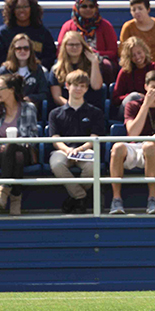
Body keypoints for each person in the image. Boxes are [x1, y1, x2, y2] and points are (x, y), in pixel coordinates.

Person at [110, 69, 155, 214]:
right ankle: (116, 200)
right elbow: (133, 134)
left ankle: (152, 200)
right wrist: (146, 105)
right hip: (134, 146)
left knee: (149, 145)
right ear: (145, 87)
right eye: (153, 87)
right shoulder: (133, 105)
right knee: (117, 147)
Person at [47, 69, 105, 213]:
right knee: (57, 164)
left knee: (93, 166)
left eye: (83, 86)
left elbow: (94, 138)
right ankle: (81, 196)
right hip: (62, 151)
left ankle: (74, 199)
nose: (79, 89)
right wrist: (67, 150)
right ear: (67, 85)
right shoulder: (55, 113)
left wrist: (80, 149)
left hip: (85, 151)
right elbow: (55, 138)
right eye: (75, 85)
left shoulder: (95, 112)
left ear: (86, 88)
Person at [57, 0, 119, 73]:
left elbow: (113, 52)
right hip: (73, 60)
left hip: (98, 60)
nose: (88, 9)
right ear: (77, 7)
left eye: (91, 6)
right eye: (84, 6)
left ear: (96, 8)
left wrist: (94, 54)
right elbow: (60, 50)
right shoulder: (68, 26)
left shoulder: (105, 26)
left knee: (107, 65)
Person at [0, 33, 52, 108]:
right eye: (18, 48)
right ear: (13, 50)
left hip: (31, 110)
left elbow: (44, 94)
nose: (22, 51)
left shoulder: (37, 69)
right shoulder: (5, 70)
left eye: (26, 48)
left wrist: (30, 98)